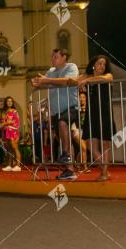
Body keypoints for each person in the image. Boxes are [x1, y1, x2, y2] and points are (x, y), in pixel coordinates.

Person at [32, 48, 80, 181]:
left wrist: (46, 81)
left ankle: (65, 154)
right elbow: (45, 84)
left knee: (62, 123)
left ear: (64, 57)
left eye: (55, 56)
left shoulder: (71, 67)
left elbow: (67, 81)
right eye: (52, 57)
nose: (52, 59)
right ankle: (69, 170)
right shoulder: (50, 72)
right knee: (63, 137)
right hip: (55, 110)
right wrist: (37, 83)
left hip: (70, 107)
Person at [77, 55, 116, 182]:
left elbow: (105, 79)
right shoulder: (86, 76)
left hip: (104, 112)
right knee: (89, 143)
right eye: (99, 63)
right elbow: (72, 80)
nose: (102, 66)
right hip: (91, 113)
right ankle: (104, 170)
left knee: (105, 144)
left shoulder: (108, 75)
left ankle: (104, 172)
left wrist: (87, 81)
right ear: (93, 64)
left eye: (104, 64)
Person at [1, 96, 21, 172]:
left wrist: (5, 123)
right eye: (8, 101)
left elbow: (15, 121)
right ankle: (9, 165)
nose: (9, 102)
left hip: (13, 131)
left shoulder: (14, 111)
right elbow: (4, 122)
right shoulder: (5, 112)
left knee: (14, 147)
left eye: (11, 101)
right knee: (9, 149)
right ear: (6, 102)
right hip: (7, 132)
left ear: (12, 103)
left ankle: (18, 165)